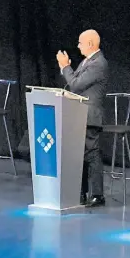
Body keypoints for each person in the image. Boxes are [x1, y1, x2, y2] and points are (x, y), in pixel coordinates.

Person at [56, 29, 108, 207]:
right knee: (81, 154)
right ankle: (81, 192)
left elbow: (76, 85)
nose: (78, 46)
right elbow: (73, 83)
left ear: (91, 44)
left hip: (90, 115)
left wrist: (65, 67)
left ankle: (97, 194)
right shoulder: (87, 61)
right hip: (79, 114)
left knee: (92, 154)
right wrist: (67, 69)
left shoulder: (98, 63)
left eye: (80, 42)